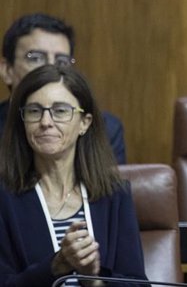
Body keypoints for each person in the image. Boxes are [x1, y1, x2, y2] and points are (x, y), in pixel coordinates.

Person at [0, 65, 147, 286]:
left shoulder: (114, 194)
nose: (46, 122)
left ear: (84, 123)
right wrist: (55, 267)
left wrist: (94, 280)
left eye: (60, 111)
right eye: (34, 111)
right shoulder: (5, 198)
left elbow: (137, 284)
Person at [0, 13, 127, 164]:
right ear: (7, 69)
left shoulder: (105, 129)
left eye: (62, 61)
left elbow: (106, 186)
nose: (50, 68)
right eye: (36, 58)